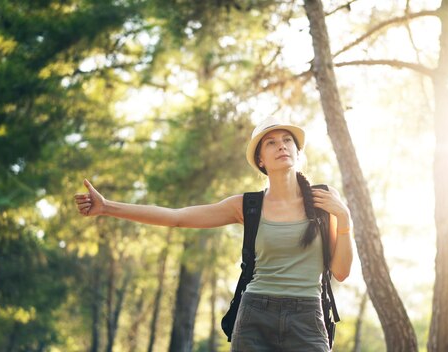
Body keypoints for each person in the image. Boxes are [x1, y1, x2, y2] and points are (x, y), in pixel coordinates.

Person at [73, 117, 354, 351]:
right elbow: (177, 217)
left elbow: (340, 271)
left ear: (297, 150)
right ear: (260, 159)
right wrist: (107, 207)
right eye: (271, 142)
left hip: (307, 317)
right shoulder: (247, 206)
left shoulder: (324, 200)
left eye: (287, 140)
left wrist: (344, 218)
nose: (281, 146)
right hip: (256, 314)